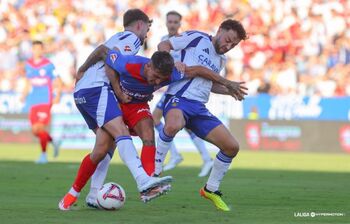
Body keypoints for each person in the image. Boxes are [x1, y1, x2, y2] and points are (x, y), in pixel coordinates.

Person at [58, 9, 173, 211]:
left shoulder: (118, 37)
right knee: (120, 131)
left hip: (83, 91)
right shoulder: (132, 39)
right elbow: (107, 56)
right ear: (139, 25)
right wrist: (119, 92)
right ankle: (142, 181)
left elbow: (104, 51)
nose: (147, 33)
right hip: (97, 88)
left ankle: (78, 195)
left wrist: (83, 68)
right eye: (147, 28)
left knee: (104, 146)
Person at [155, 19, 248, 211]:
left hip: (199, 108)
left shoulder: (222, 60)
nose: (228, 46)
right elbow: (165, 44)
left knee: (232, 147)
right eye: (228, 39)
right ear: (220, 30)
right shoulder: (197, 38)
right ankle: (155, 172)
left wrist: (228, 90)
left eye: (233, 44)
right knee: (173, 125)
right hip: (178, 97)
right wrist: (172, 60)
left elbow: (209, 83)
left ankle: (211, 189)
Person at [152, 11, 214, 177]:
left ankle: (181, 155)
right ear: (166, 23)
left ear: (180, 24)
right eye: (169, 21)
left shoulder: (184, 41)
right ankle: (202, 157)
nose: (172, 24)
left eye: (175, 22)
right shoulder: (164, 41)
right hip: (172, 87)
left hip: (182, 88)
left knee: (158, 119)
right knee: (175, 124)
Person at [22, 40, 62, 164]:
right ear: (32, 50)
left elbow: (58, 81)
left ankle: (43, 155)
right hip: (33, 100)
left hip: (45, 99)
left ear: (42, 50)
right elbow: (28, 81)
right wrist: (24, 95)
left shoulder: (48, 65)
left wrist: (58, 95)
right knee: (35, 131)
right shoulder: (28, 64)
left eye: (40, 49)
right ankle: (53, 141)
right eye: (35, 49)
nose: (37, 51)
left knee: (39, 127)